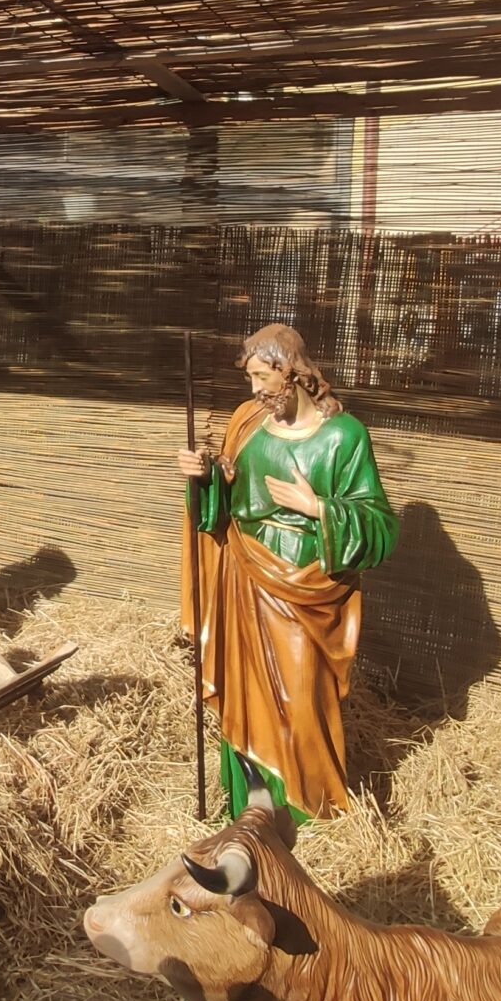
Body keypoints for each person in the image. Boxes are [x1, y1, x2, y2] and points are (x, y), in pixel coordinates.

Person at [176, 324, 397, 819]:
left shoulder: (344, 437)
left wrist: (318, 508)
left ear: (292, 372)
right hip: (244, 574)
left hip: (306, 585)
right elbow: (223, 499)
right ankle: (250, 811)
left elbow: (381, 525)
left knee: (301, 699)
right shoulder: (248, 422)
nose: (255, 389)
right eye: (250, 378)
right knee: (244, 692)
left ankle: (308, 811)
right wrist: (203, 477)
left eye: (262, 377)